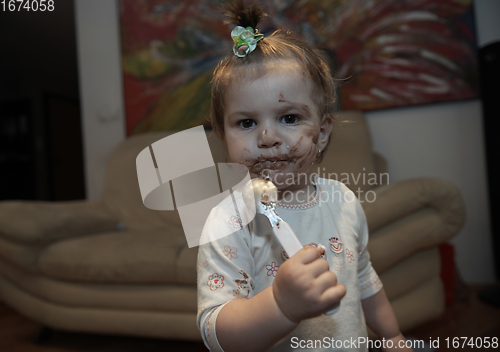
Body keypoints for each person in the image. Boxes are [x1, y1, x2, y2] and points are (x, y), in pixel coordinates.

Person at [197, 1, 412, 351]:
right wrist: (281, 304)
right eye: (247, 123)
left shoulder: (343, 200)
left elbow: (363, 278)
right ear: (224, 138)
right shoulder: (228, 220)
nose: (267, 138)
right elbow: (215, 331)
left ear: (323, 131)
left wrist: (392, 337)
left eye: (289, 118)